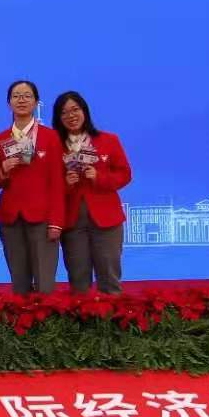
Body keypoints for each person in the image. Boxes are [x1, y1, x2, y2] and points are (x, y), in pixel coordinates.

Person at [54, 91, 132, 294]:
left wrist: (99, 177)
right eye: (64, 112)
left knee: (109, 277)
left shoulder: (108, 140)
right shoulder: (54, 146)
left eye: (75, 110)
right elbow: (48, 184)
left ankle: (111, 313)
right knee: (78, 279)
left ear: (85, 111)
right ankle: (82, 314)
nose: (71, 116)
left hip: (106, 219)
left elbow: (124, 174)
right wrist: (66, 184)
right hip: (72, 222)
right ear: (58, 118)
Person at [0, 79, 65, 293]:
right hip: (10, 218)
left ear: (36, 102)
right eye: (16, 96)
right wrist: (3, 170)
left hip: (42, 218)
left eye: (27, 96)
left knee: (45, 283)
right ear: (9, 103)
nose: (21, 100)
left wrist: (56, 222)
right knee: (19, 283)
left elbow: (58, 182)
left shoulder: (51, 137)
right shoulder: (0, 139)